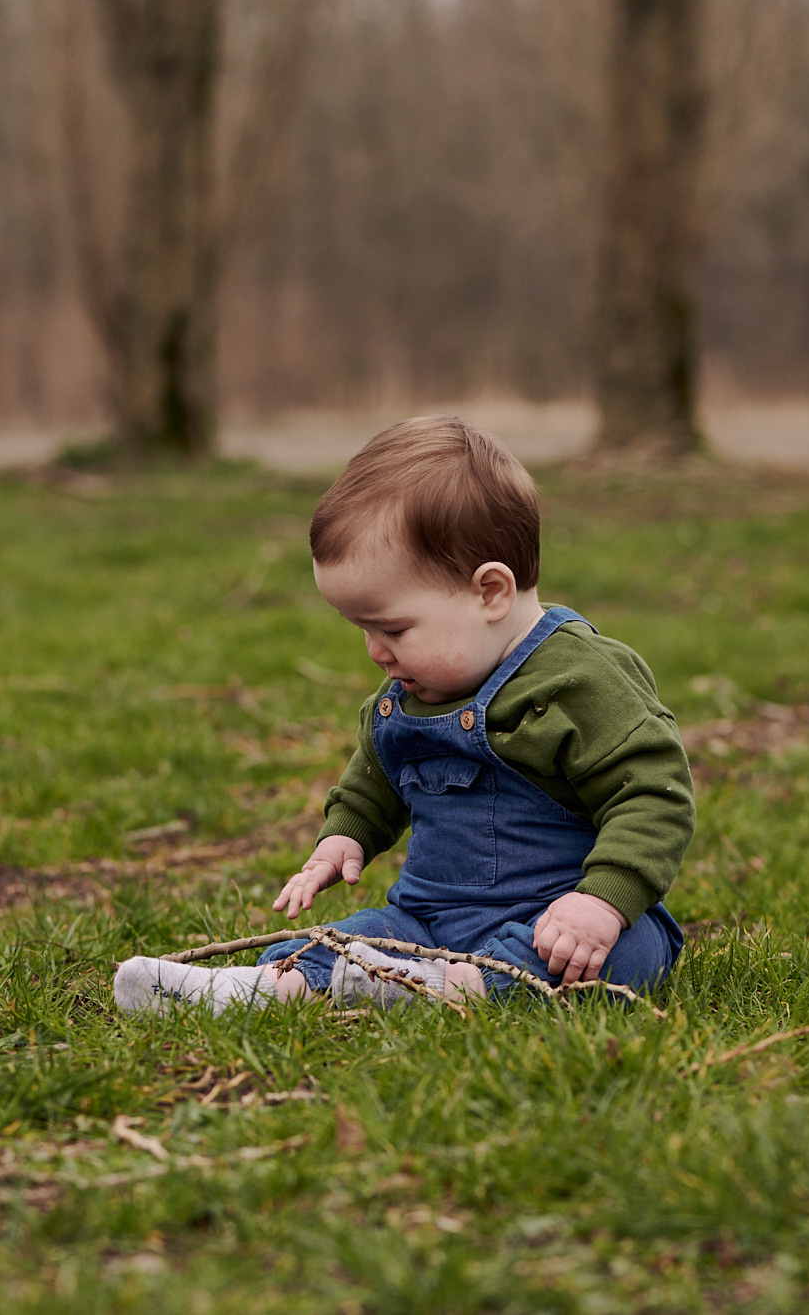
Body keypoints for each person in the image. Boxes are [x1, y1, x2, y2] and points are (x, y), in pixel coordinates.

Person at [114, 416, 692, 1012]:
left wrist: (602, 901)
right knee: (353, 936)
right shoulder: (407, 695)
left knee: (628, 953)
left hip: (556, 919)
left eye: (392, 627)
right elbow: (375, 777)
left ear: (490, 592)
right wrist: (344, 834)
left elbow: (652, 793)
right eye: (361, 628)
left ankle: (444, 990)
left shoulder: (582, 681)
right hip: (426, 922)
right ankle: (262, 989)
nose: (375, 651)